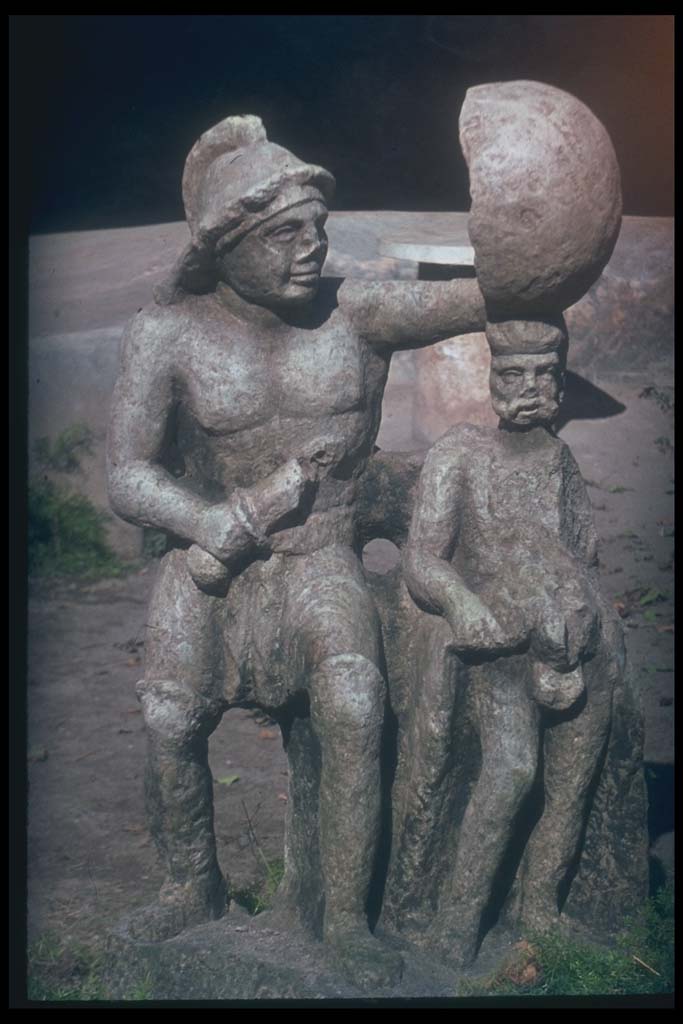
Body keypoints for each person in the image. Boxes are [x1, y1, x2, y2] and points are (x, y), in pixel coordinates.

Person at [107, 114, 486, 988]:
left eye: (317, 229)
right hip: (211, 557)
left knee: (354, 702)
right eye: (283, 235)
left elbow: (481, 297)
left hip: (318, 556)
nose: (310, 249)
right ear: (223, 245)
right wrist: (208, 524)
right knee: (169, 715)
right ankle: (188, 884)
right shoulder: (169, 332)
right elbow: (126, 474)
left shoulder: (353, 312)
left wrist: (525, 256)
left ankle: (346, 918)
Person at [395, 316, 625, 967]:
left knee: (570, 787)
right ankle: (456, 922)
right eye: (512, 374)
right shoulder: (461, 453)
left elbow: (581, 549)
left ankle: (540, 909)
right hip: (497, 656)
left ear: (557, 384)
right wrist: (460, 601)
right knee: (511, 769)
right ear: (491, 379)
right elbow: (421, 558)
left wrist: (570, 618)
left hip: (569, 649)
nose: (528, 388)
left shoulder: (559, 461)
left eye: (543, 375)